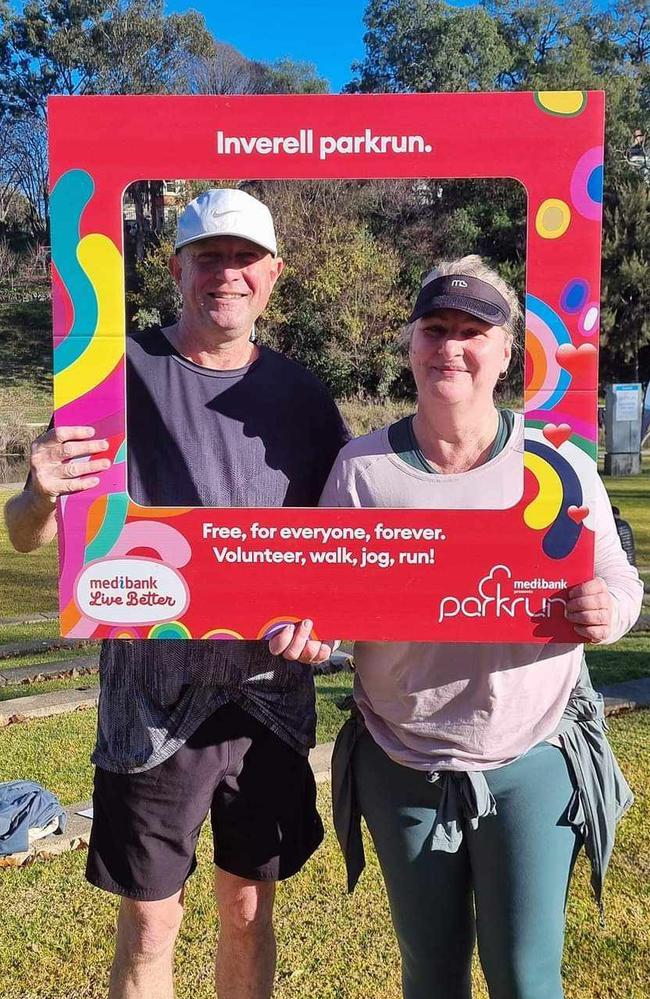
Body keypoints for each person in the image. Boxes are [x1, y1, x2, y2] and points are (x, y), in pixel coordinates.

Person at [4, 188, 346, 999]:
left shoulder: (305, 398)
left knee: (248, 908)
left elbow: (340, 545)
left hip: (270, 692)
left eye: (245, 258)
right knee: (152, 920)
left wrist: (328, 619)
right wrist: (39, 493)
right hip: (152, 701)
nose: (227, 274)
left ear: (273, 275)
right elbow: (29, 537)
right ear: (177, 268)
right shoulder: (110, 376)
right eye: (209, 257)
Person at [270, 256, 643, 999]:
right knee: (432, 974)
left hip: (533, 757)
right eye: (435, 328)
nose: (451, 346)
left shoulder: (557, 462)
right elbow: (329, 603)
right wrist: (314, 640)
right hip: (402, 762)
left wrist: (610, 608)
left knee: (527, 976)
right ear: (410, 345)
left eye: (473, 331)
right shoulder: (362, 470)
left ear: (507, 352)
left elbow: (619, 577)